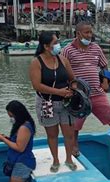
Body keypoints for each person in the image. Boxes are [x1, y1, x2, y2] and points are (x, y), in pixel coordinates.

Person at [62, 22, 110, 157]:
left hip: (97, 92)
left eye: (91, 32)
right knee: (76, 123)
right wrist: (70, 87)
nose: (89, 35)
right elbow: (63, 70)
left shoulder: (96, 48)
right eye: (86, 33)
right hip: (79, 95)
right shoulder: (68, 50)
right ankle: (74, 145)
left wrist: (105, 82)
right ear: (78, 33)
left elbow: (104, 66)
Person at [29, 31, 77, 173]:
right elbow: (37, 85)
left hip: (66, 103)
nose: (58, 45)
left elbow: (73, 79)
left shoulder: (63, 60)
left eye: (58, 42)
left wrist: (72, 90)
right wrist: (59, 92)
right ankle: (55, 160)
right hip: (47, 103)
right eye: (55, 43)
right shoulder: (36, 62)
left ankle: (69, 159)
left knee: (69, 134)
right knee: (52, 134)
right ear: (46, 46)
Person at [0, 100, 36, 182]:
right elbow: (17, 141)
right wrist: (4, 138)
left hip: (22, 163)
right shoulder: (20, 125)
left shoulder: (24, 127)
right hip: (17, 161)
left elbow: (20, 148)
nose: (11, 119)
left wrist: (4, 140)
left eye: (12, 116)